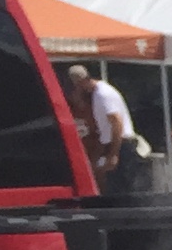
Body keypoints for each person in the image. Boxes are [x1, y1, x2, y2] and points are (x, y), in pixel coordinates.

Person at [62, 63, 145, 191]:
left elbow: (116, 123)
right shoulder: (97, 94)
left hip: (121, 145)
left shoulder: (103, 95)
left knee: (122, 188)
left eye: (77, 86)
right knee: (113, 187)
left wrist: (113, 154)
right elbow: (105, 130)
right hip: (113, 145)